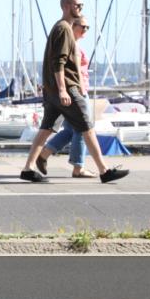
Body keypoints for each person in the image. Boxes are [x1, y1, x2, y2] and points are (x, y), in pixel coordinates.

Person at [19, 0, 129, 184]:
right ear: (67, 6)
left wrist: (55, 90)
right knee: (87, 127)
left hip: (53, 91)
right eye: (78, 5)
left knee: (46, 129)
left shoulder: (61, 28)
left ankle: (28, 169)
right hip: (67, 90)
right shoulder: (64, 29)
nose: (81, 8)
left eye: (82, 5)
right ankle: (104, 171)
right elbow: (58, 62)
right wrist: (63, 89)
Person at [36, 16, 94, 178]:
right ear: (73, 26)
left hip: (72, 90)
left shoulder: (74, 45)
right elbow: (74, 70)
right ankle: (78, 167)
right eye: (83, 26)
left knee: (71, 130)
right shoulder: (73, 46)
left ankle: (45, 154)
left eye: (88, 27)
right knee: (83, 129)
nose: (85, 30)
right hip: (76, 91)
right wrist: (80, 92)